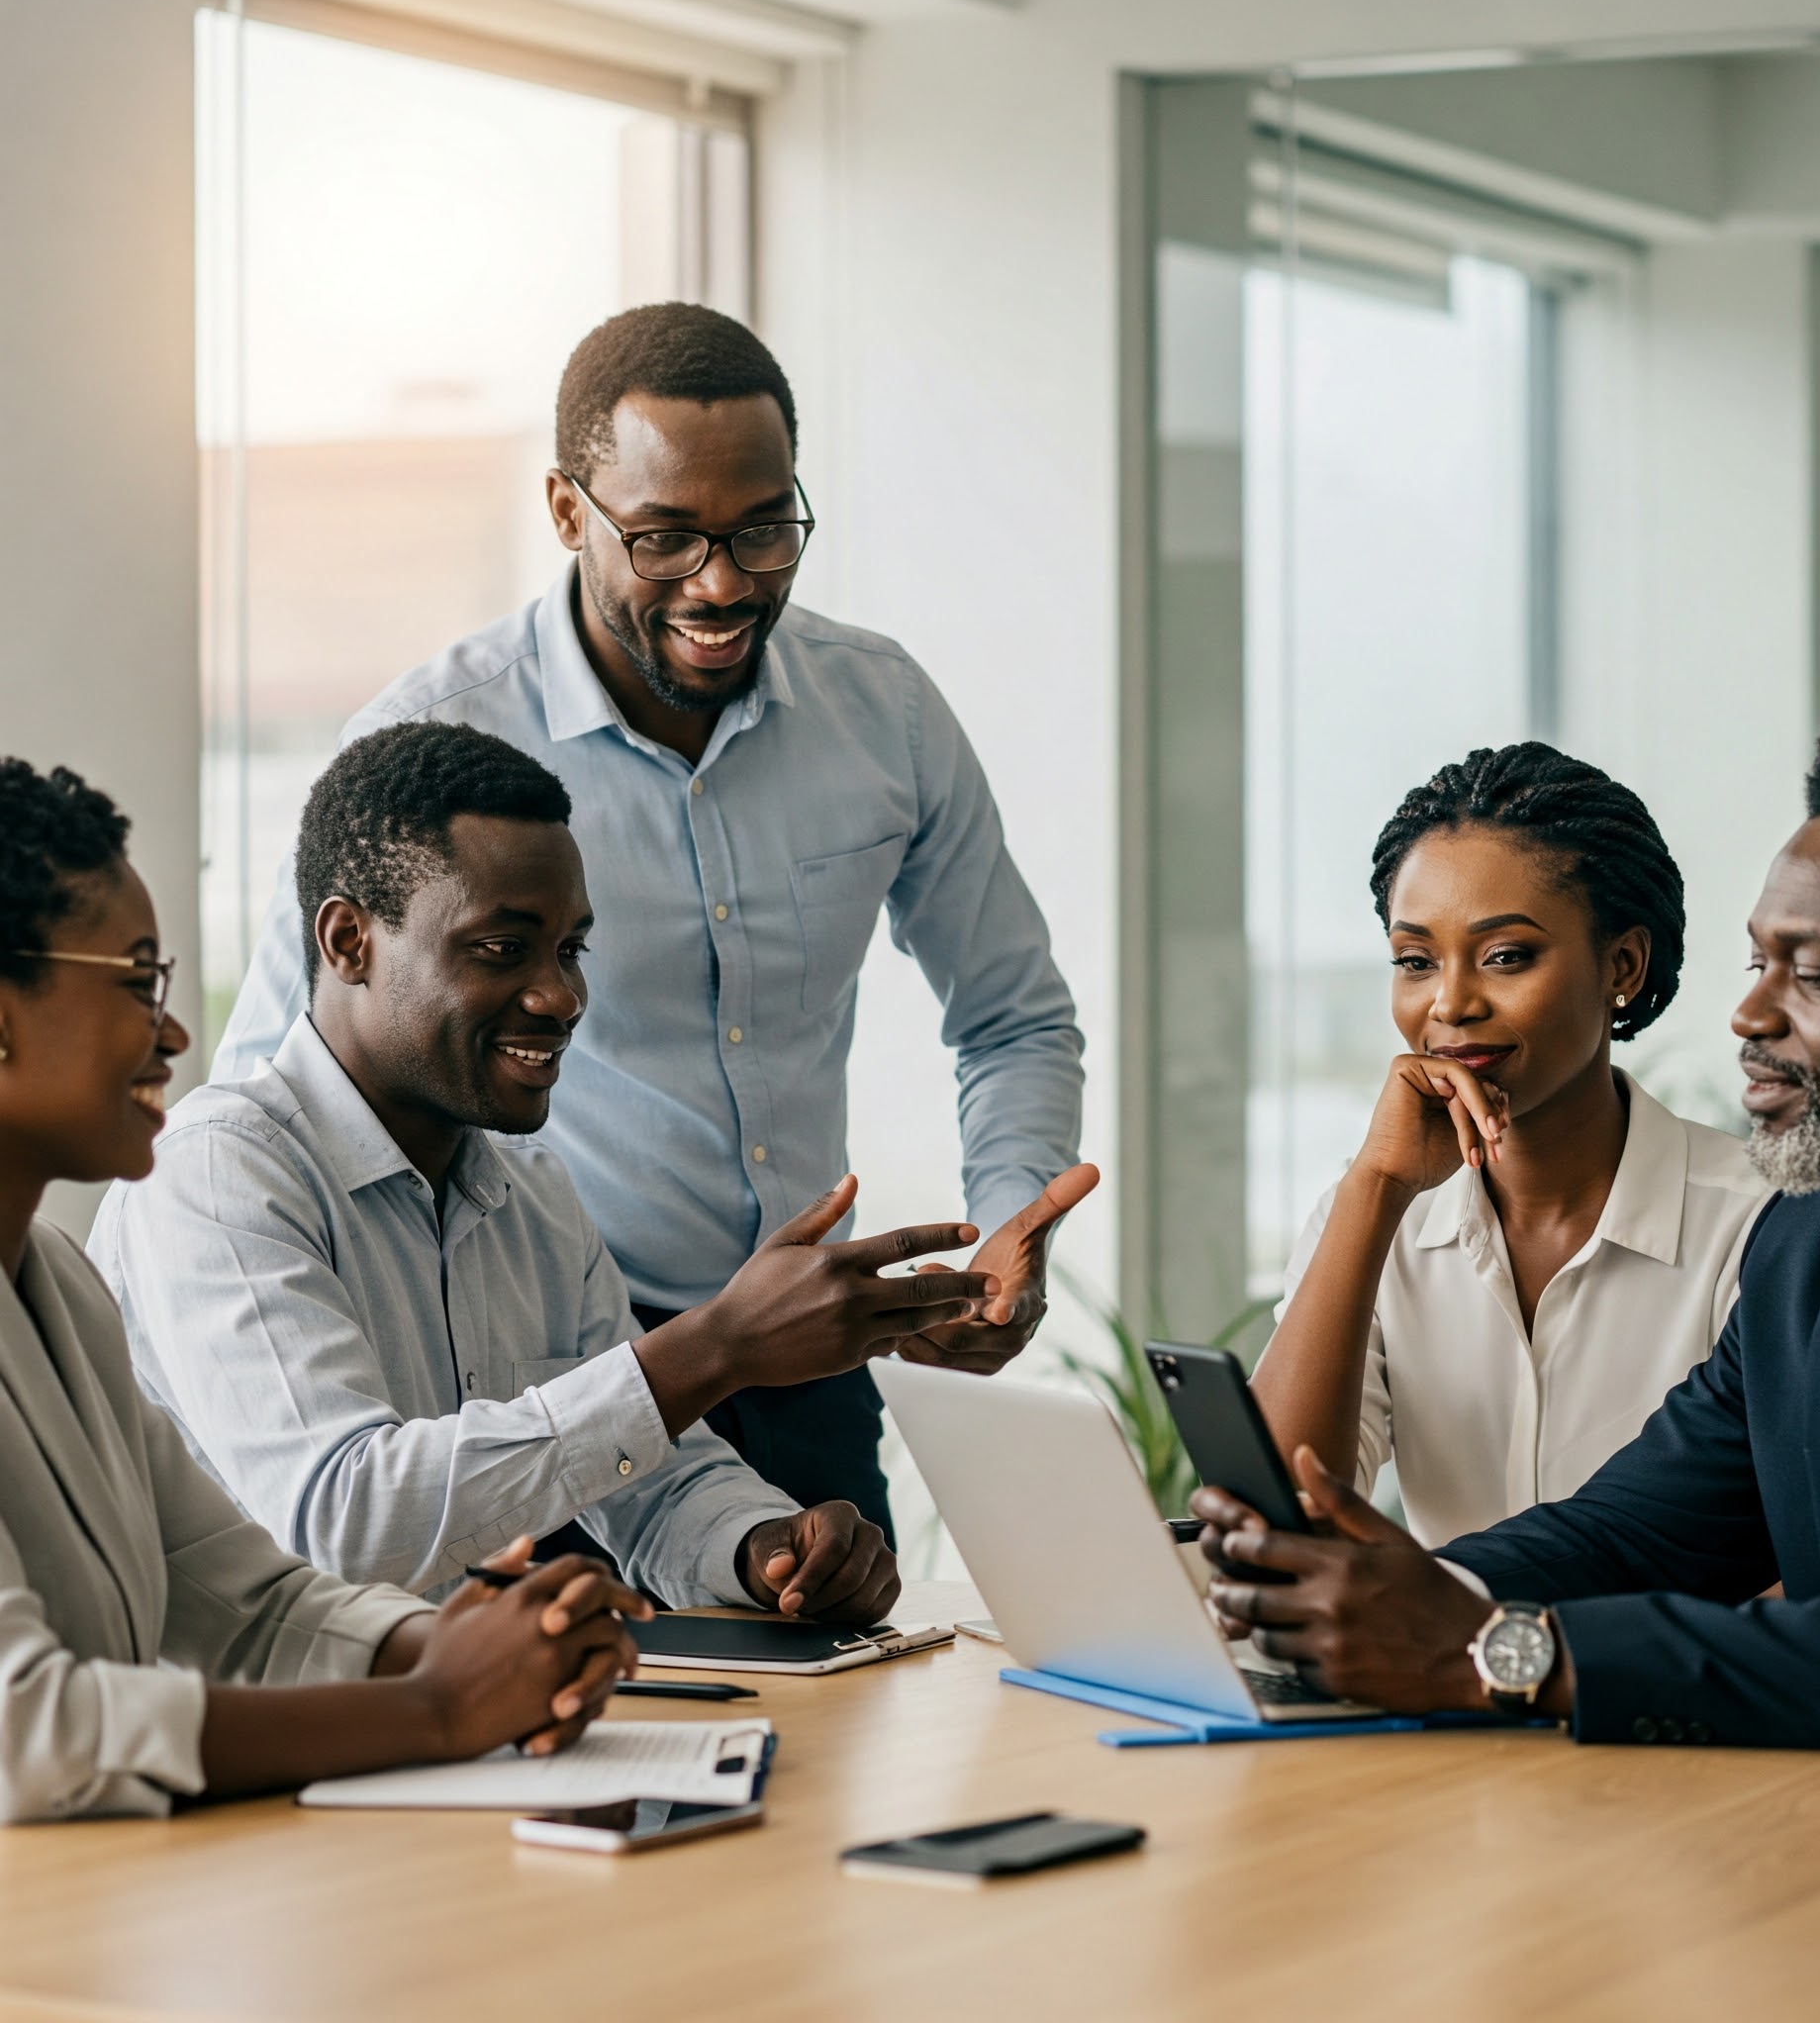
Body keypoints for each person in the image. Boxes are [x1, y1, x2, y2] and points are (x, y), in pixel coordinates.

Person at [209, 303, 1096, 1540]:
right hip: (542, 1367)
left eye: (762, 530)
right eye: (667, 537)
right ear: (569, 511)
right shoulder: (436, 746)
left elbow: (1010, 1014)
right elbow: (277, 1078)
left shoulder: (881, 711)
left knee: (848, 1674)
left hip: (805, 1352)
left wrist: (1008, 1220)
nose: (723, 582)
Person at [1198, 715, 1820, 1753]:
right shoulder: (1813, 1255)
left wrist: (1509, 1653)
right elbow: (1635, 1530)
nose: (1748, 1014)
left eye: (1809, 975)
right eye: (1754, 963)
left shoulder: (1767, 1231)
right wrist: (1392, 1592)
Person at [94, 723, 995, 1621]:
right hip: (239, 1745)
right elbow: (344, 1519)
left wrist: (763, 1546)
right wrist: (717, 1346)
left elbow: (650, 1480)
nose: (561, 998)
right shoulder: (216, 1175)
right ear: (348, 941)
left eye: (571, 950)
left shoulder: (531, 1196)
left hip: (436, 1726)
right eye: (501, 948)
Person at [0, 756, 649, 1823]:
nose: (171, 1032)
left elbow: (246, 1602)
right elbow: (26, 1731)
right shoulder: (225, 1169)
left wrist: (470, 1644)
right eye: (134, 981)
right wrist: (438, 1706)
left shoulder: (56, 1284)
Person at [1252, 743, 1770, 1543]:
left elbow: (1803, 1560)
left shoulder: (1762, 1227)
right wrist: (1376, 1188)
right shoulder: (1368, 1222)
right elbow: (1277, 1519)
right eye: (1414, 961)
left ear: (1621, 965)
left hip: (1654, 1673)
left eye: (1506, 957)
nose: (1451, 1003)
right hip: (1417, 1669)